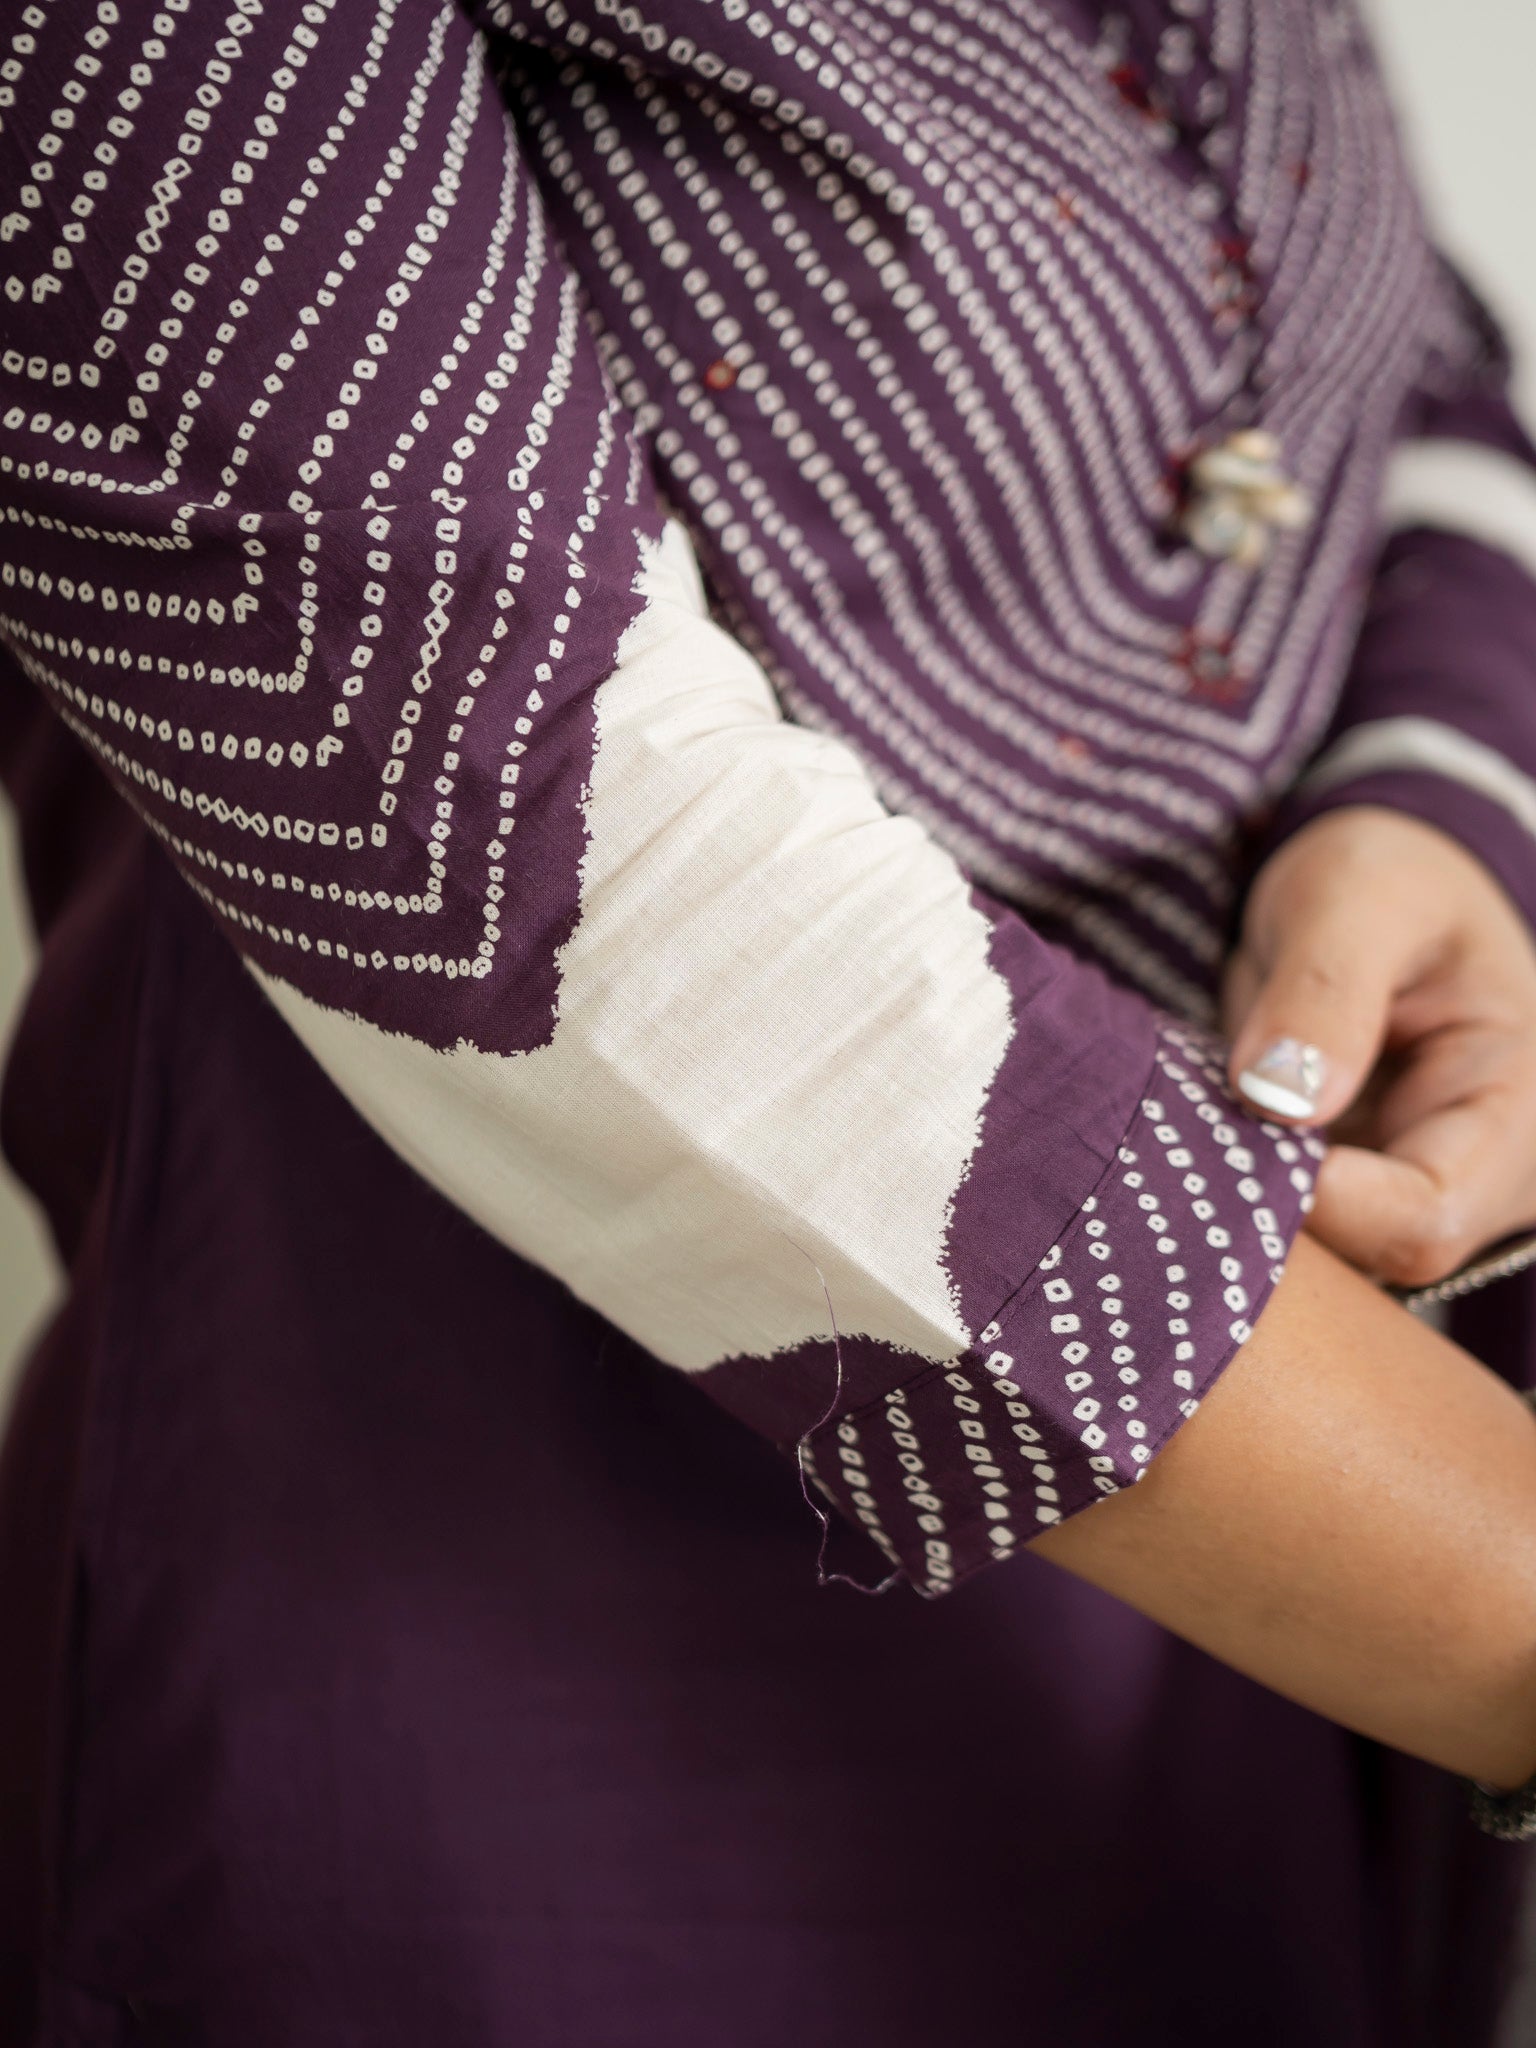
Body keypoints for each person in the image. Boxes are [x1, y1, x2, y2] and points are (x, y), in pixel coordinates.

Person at [2, 0, 1536, 2039]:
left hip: (1311, 1523)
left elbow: (1396, 332)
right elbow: (478, 805)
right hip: (525, 1599)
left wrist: (1438, 784)